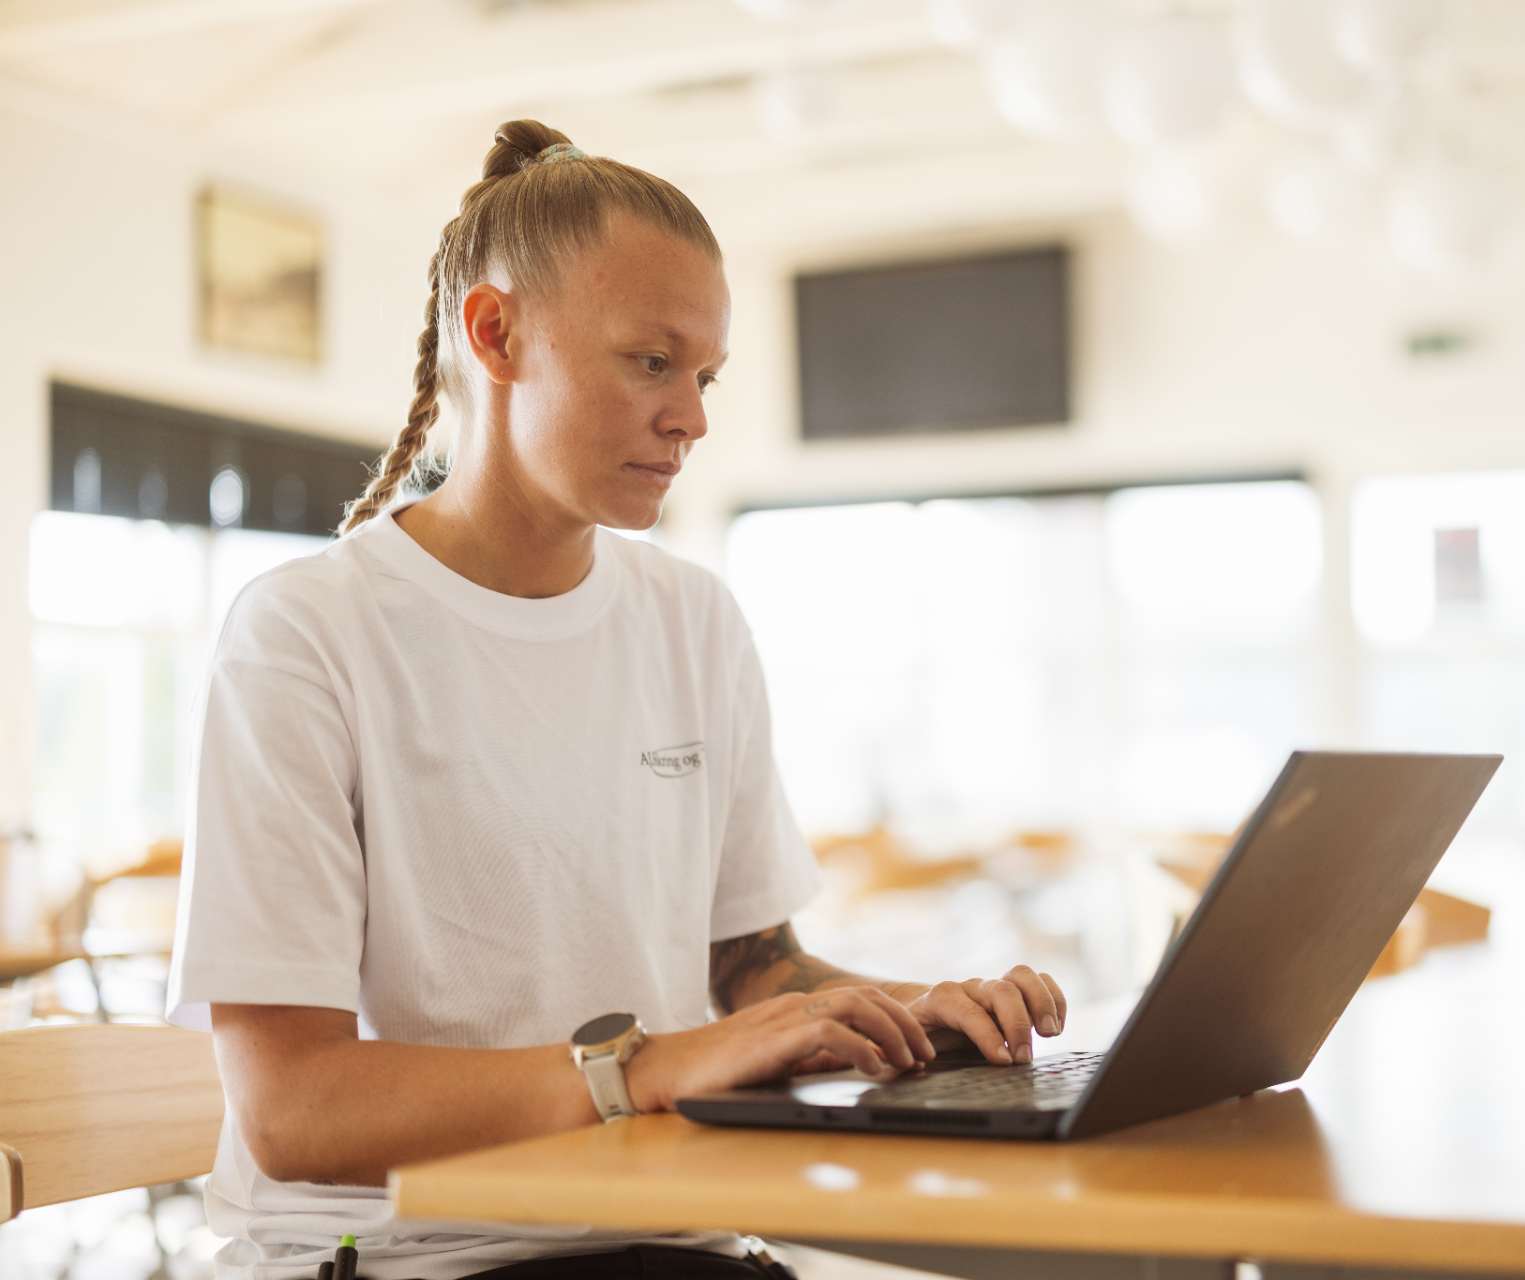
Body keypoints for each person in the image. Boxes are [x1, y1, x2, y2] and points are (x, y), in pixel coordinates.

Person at [164, 119, 1069, 1280]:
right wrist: (641, 1068)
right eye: (652, 361)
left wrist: (924, 1013)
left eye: (706, 375)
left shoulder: (694, 619)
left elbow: (758, 973)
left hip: (666, 1233)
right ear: (496, 334)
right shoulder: (306, 633)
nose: (692, 415)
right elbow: (296, 1109)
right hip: (413, 1258)